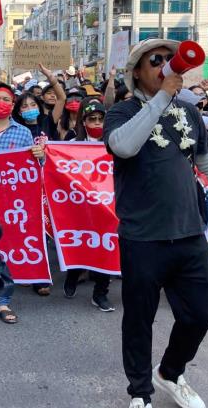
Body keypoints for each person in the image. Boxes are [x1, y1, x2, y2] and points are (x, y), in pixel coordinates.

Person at [104, 39, 208, 408]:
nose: (167, 66)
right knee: (139, 319)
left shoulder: (189, 114)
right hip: (143, 238)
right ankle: (140, 392)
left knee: (200, 312)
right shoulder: (121, 112)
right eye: (157, 61)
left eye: (171, 60)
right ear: (137, 70)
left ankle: (169, 371)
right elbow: (123, 146)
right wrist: (160, 100)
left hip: (188, 233)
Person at [0, 81, 43, 325]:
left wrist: (39, 157)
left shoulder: (23, 133)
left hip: (13, 204)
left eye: (6, 100)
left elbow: (32, 170)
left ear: (13, 106)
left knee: (8, 248)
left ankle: (3, 300)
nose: (0, 104)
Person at [64, 99, 115, 312]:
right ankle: (73, 274)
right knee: (80, 241)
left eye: (101, 119)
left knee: (107, 246)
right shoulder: (71, 143)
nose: (96, 123)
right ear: (83, 121)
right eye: (91, 119)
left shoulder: (115, 142)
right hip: (81, 206)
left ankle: (100, 293)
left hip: (108, 206)